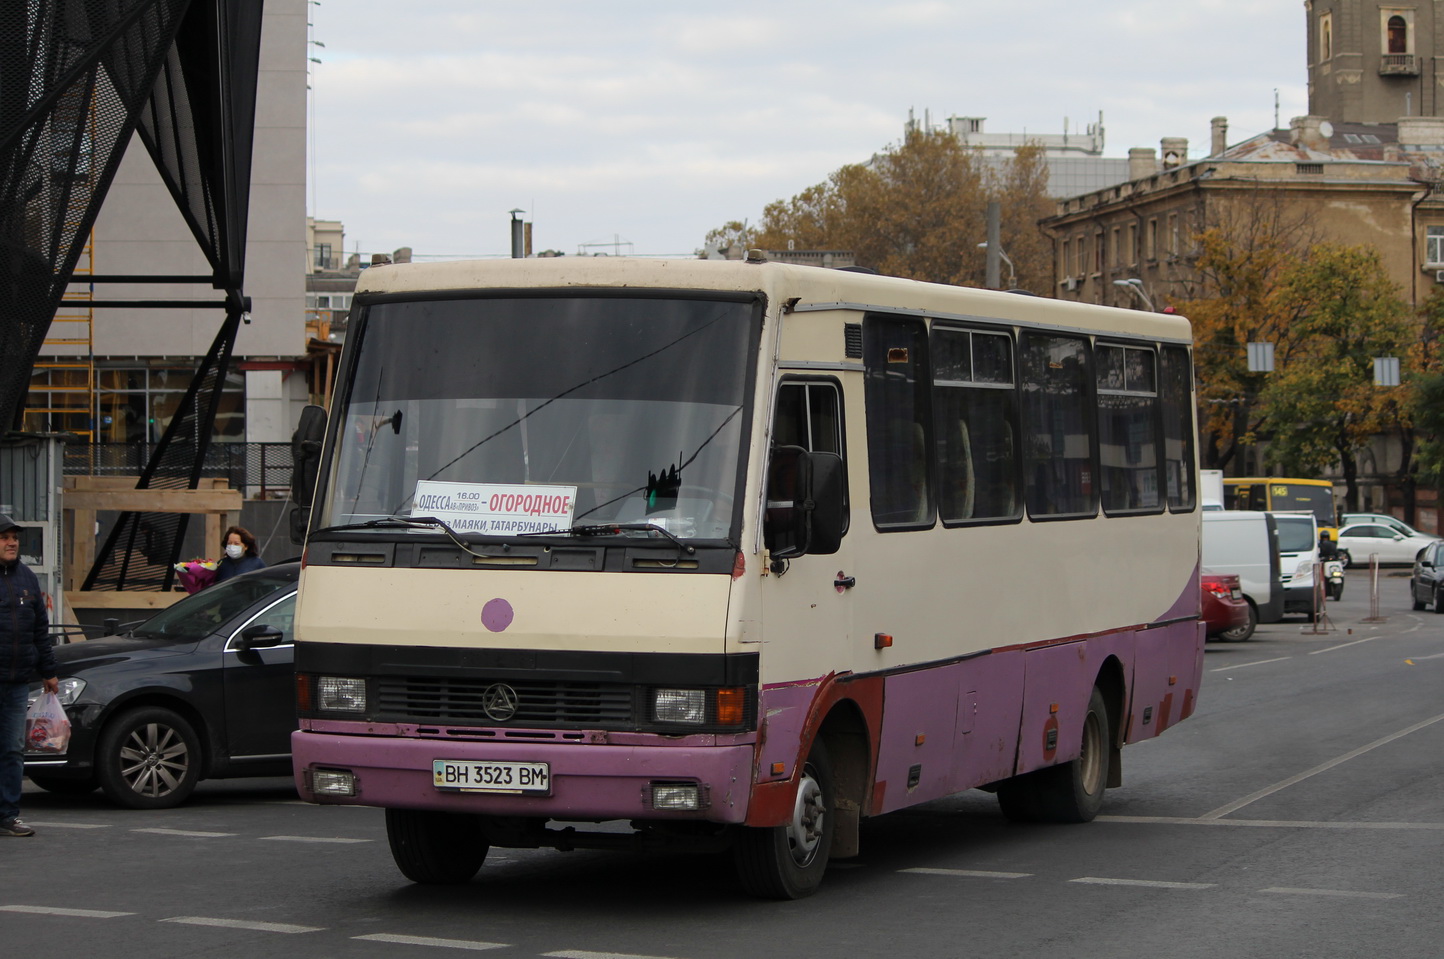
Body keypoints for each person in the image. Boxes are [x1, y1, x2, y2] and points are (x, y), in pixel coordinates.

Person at [1, 514, 58, 838]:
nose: (11, 543)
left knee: (12, 749)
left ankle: (8, 815)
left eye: (14, 537)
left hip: (17, 682)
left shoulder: (27, 578)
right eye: (4, 537)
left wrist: (48, 672)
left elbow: (40, 629)